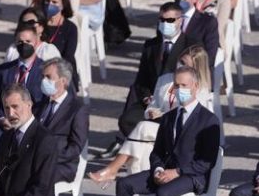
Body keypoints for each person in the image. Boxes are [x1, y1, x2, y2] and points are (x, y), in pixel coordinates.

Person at [100, 66, 221, 196]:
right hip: (165, 171)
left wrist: (177, 172)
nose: (179, 90)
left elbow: (206, 162)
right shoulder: (170, 117)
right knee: (124, 184)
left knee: (164, 193)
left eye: (184, 85)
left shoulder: (208, 120)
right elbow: (157, 151)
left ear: (195, 86)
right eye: (176, 85)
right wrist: (157, 168)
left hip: (192, 175)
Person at [89, 45, 212, 186]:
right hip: (159, 128)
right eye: (181, 61)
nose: (181, 66)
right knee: (140, 148)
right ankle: (138, 191)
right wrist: (151, 112)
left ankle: (113, 169)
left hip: (180, 132)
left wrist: (164, 114)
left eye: (186, 65)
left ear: (195, 69)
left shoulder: (200, 88)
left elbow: (190, 115)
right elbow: (153, 104)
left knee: (142, 127)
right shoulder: (165, 79)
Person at [101, 1, 199, 159]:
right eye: (161, 19)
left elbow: (195, 81)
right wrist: (148, 97)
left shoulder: (191, 45)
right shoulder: (151, 45)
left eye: (170, 20)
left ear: (180, 20)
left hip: (176, 101)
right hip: (153, 100)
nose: (165, 23)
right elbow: (143, 77)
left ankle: (151, 155)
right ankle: (143, 154)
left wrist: (166, 103)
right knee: (128, 120)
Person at [0, 24, 46, 188]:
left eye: (28, 41)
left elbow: (45, 104)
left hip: (29, 127)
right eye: (20, 42)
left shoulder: (44, 71)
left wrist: (28, 122)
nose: (24, 45)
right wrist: (1, 119)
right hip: (5, 124)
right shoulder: (4, 70)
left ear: (36, 42)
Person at [38, 58, 89, 183]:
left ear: (63, 81)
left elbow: (76, 147)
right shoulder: (40, 105)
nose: (44, 81)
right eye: (43, 77)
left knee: (37, 177)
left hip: (61, 164)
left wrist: (49, 158)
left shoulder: (77, 109)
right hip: (37, 160)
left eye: (48, 77)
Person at [172, 0, 219, 67]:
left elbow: (210, 56)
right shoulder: (168, 18)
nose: (180, 2)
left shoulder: (207, 22)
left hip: (196, 70)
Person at [42, 0, 79, 82]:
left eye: (54, 2)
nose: (50, 4)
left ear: (63, 5)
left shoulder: (70, 28)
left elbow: (68, 56)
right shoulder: (39, 24)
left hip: (62, 71)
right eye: (47, 1)